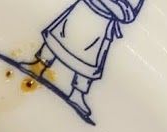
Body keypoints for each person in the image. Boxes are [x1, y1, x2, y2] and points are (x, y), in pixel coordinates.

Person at [16, 0, 145, 121]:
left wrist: (110, 5)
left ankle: (78, 94)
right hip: (82, 11)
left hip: (102, 25)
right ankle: (38, 65)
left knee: (88, 62)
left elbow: (127, 15)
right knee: (58, 37)